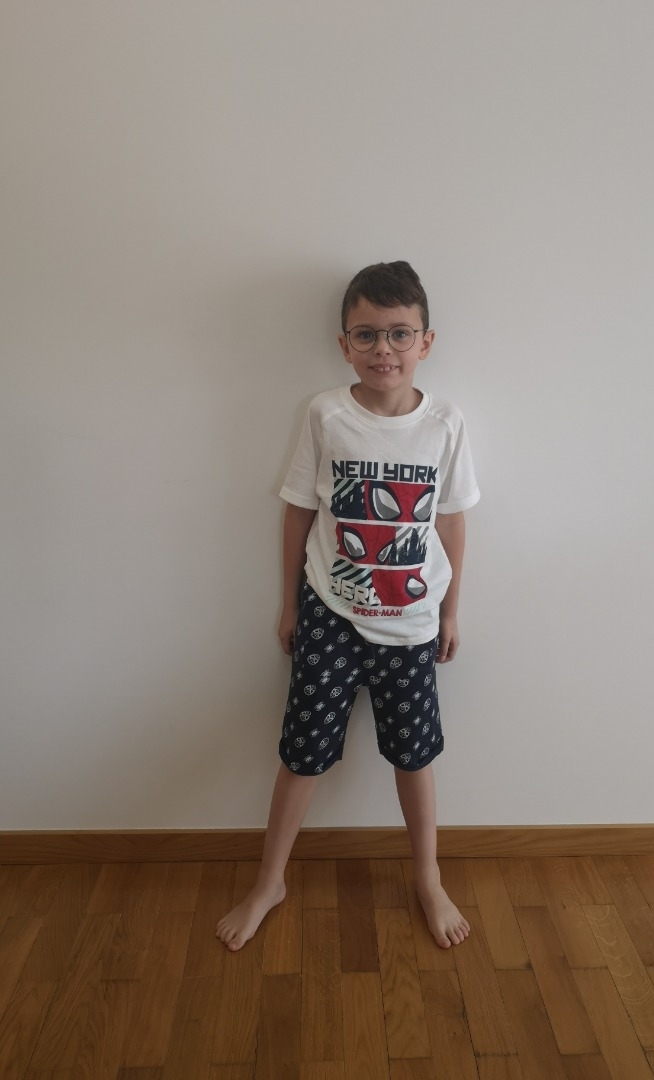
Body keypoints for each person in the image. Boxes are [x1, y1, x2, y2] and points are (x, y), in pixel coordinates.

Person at [216, 261, 480, 952]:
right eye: (366, 335)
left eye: (399, 333)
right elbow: (298, 511)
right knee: (302, 754)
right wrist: (289, 607)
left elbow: (451, 521)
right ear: (344, 345)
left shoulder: (445, 423)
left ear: (425, 341)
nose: (383, 349)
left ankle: (427, 877)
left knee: (412, 756)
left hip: (412, 624)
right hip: (330, 616)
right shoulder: (325, 414)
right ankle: (269, 880)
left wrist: (451, 612)